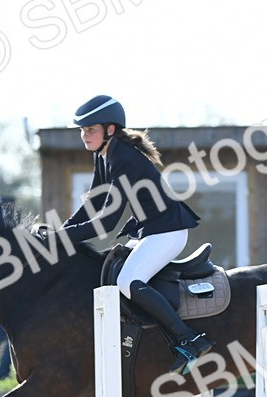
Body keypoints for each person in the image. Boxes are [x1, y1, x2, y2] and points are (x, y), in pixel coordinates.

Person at [59, 95, 210, 374]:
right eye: (82, 130)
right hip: (151, 230)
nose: (84, 135)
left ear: (110, 130)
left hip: (168, 232)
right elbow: (93, 202)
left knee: (129, 280)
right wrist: (63, 231)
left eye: (90, 129)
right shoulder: (104, 155)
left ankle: (189, 338)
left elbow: (107, 221)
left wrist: (62, 239)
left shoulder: (124, 158)